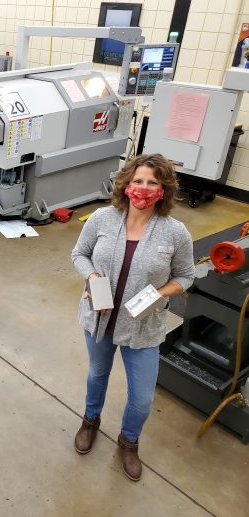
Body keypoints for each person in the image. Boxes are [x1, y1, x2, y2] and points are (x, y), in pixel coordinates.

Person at [71, 154, 195, 481]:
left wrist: (161, 293)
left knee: (142, 397)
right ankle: (90, 421)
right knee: (97, 374)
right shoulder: (102, 218)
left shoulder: (174, 232)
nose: (143, 188)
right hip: (100, 319)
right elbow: (79, 254)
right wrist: (93, 277)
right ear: (126, 184)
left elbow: (186, 276)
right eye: (138, 181)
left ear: (164, 189)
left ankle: (129, 441)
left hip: (143, 327)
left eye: (153, 183)